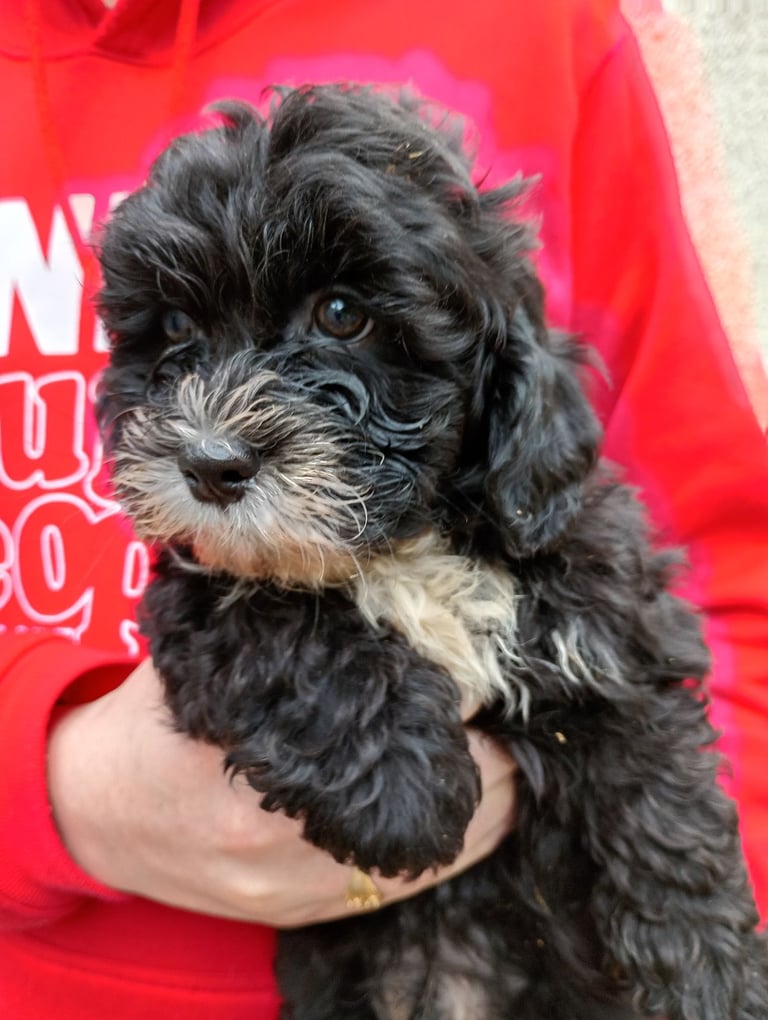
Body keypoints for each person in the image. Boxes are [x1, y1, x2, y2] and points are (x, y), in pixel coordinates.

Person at [1, 0, 766, 1016]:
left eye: (341, 320)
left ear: (495, 376)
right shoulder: (223, 598)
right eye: (180, 331)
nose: (217, 429)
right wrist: (59, 788)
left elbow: (701, 633)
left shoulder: (549, 32)